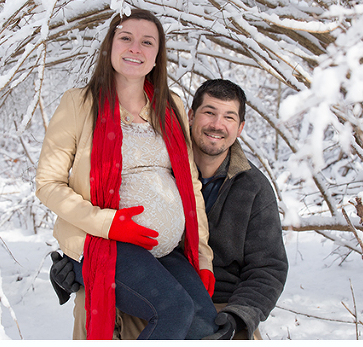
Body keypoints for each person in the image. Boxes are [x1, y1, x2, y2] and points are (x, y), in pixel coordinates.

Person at [52, 78, 289, 341]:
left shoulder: (253, 188)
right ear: (189, 116)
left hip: (222, 302)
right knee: (94, 303)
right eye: (209, 112)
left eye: (229, 117)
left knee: (208, 331)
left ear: (240, 127)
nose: (217, 125)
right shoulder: (158, 165)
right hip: (149, 289)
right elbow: (94, 206)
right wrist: (75, 265)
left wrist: (239, 314)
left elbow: (269, 268)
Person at [35, 10, 219, 339]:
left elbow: (189, 186)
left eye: (147, 42)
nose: (135, 48)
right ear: (110, 47)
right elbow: (48, 185)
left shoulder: (170, 105)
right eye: (126, 38)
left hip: (164, 251)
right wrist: (108, 222)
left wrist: (203, 257)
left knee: (205, 320)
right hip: (103, 243)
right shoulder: (79, 104)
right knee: (175, 309)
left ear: (156, 57)